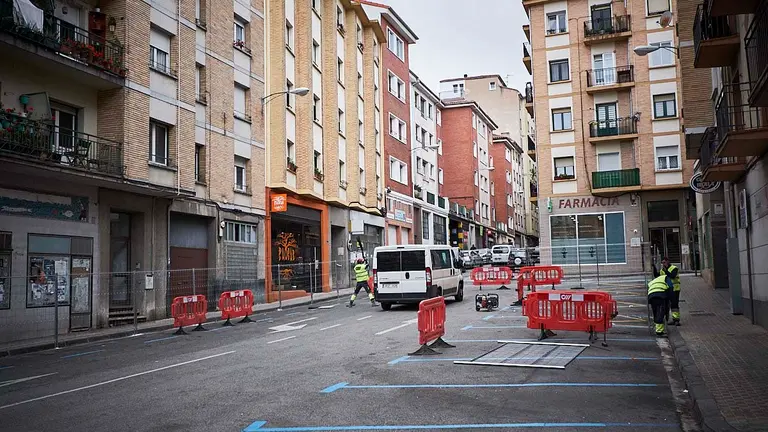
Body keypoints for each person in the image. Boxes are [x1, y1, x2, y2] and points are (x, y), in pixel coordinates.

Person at [654, 257, 681, 326]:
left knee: (674, 304)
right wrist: (654, 268)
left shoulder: (674, 268)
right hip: (667, 289)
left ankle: (676, 319)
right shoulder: (662, 270)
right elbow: (657, 276)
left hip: (675, 289)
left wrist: (666, 270)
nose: (663, 264)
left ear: (668, 262)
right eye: (662, 263)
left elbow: (672, 276)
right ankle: (669, 318)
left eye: (664, 262)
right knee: (666, 304)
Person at [647, 273, 674, 337]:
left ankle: (657, 327)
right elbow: (670, 287)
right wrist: (671, 298)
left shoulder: (654, 280)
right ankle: (659, 332)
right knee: (660, 312)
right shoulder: (666, 277)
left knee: (655, 312)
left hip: (651, 296)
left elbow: (648, 287)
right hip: (660, 295)